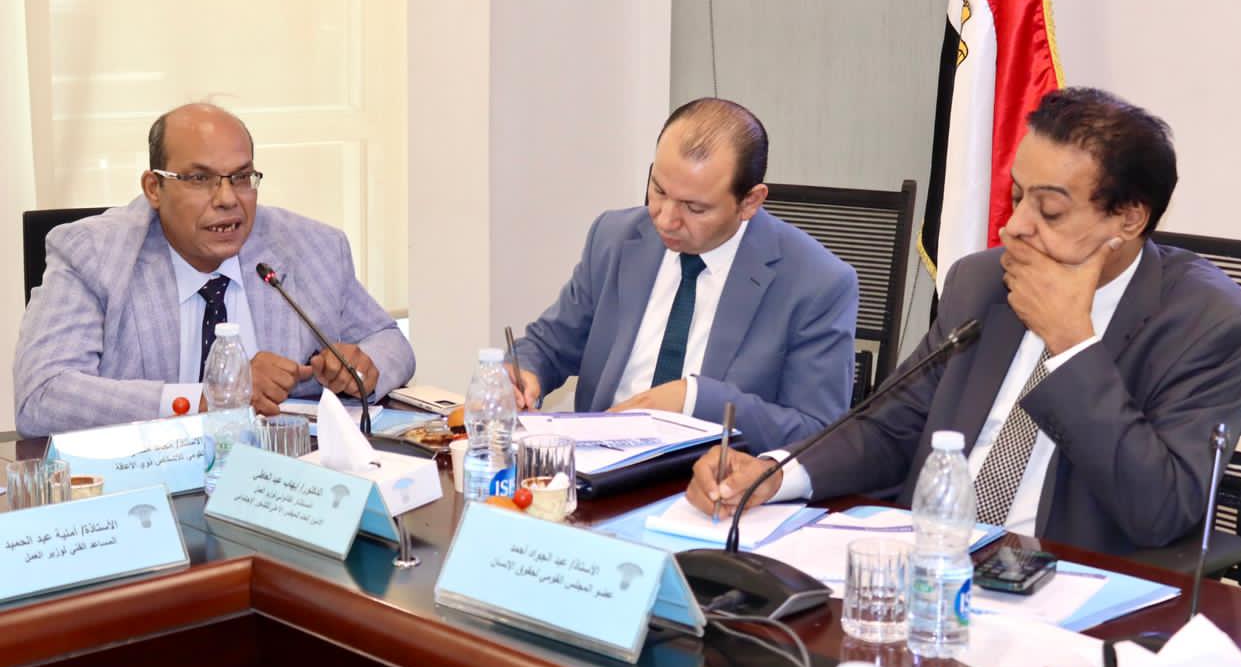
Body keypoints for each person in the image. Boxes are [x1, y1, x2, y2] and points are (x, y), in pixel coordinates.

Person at [688, 87, 1241, 555]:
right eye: (1017, 196)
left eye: (1050, 209)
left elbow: (1160, 510)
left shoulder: (1208, 326)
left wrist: (1071, 344)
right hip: (928, 564)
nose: (1015, 227)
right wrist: (773, 474)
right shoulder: (982, 282)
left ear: (1129, 219)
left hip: (1070, 588)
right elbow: (888, 428)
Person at [14, 103, 415, 436]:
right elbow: (43, 396)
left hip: (284, 480)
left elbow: (389, 341)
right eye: (199, 178)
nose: (227, 199)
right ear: (154, 188)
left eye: (241, 178)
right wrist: (213, 398)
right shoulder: (93, 254)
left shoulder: (311, 247)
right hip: (148, 484)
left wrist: (362, 367)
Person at [511, 97, 859, 452]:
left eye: (694, 207)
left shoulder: (818, 283)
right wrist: (524, 374)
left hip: (714, 477)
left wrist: (693, 399)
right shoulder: (615, 238)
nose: (665, 219)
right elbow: (548, 346)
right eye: (659, 190)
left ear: (750, 202)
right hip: (597, 467)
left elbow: (818, 433)